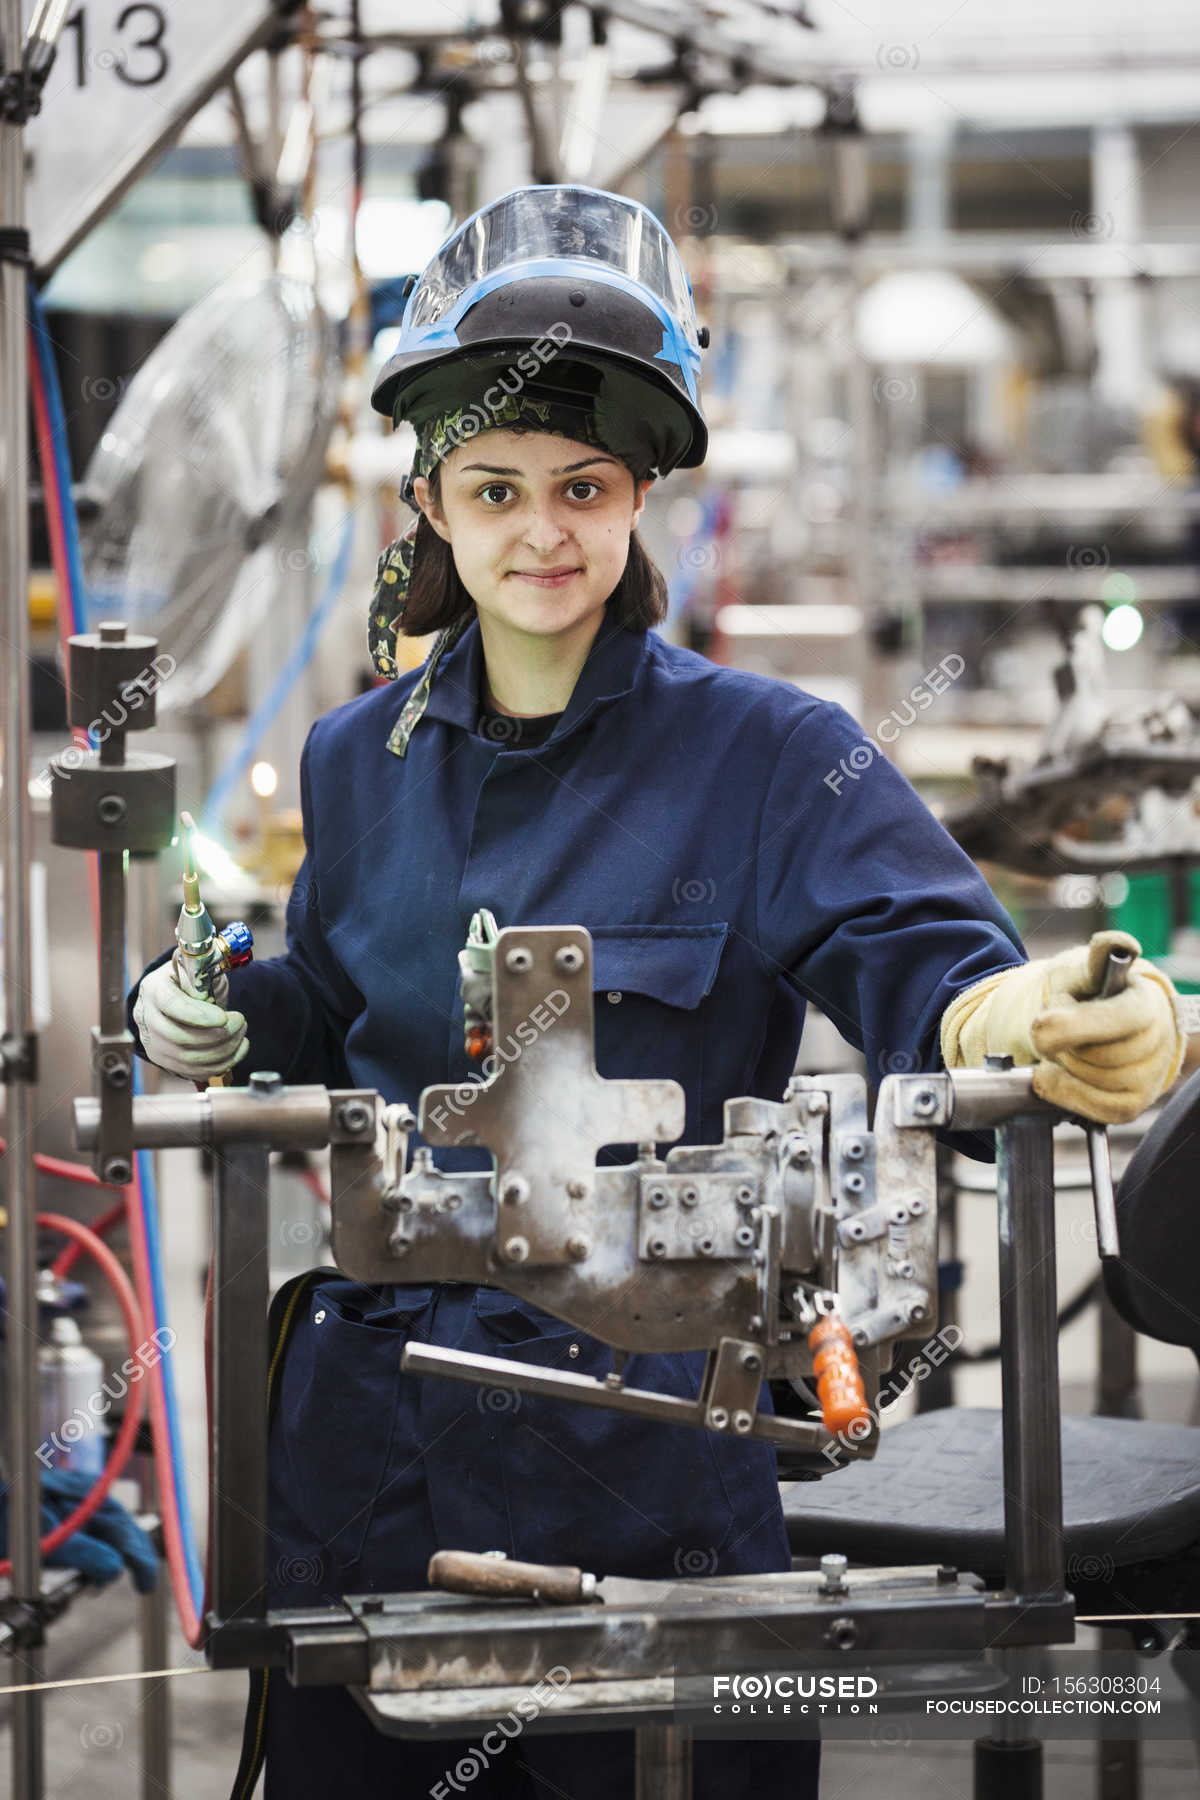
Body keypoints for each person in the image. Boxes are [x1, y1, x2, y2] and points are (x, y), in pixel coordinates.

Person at [128, 185, 1184, 1799]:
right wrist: (200, 1014)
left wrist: (1043, 1018)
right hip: (363, 1445)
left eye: (582, 488)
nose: (539, 532)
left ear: (638, 503)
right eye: (496, 490)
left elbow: (935, 970)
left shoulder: (769, 757)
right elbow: (335, 999)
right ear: (432, 503)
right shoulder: (359, 760)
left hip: (641, 1444)